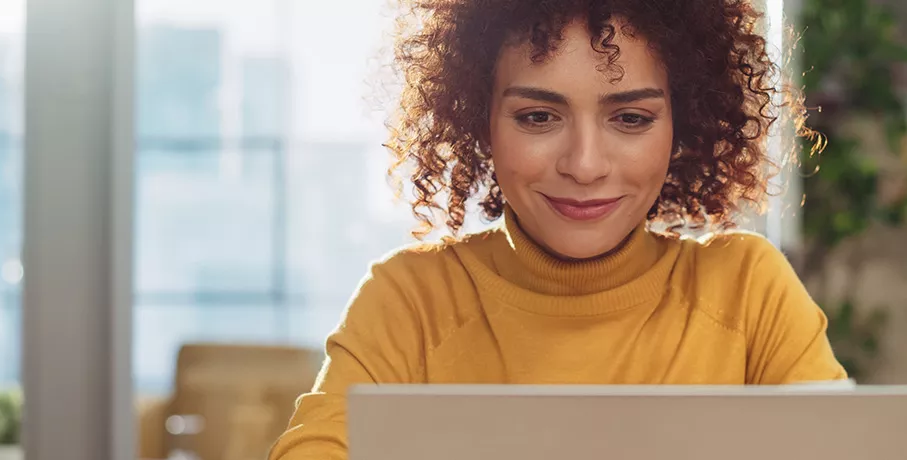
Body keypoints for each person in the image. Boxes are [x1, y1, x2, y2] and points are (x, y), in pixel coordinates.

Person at [269, 1, 847, 458]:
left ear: (683, 123)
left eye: (631, 118)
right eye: (538, 117)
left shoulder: (746, 292)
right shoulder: (409, 302)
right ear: (480, 121)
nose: (585, 164)